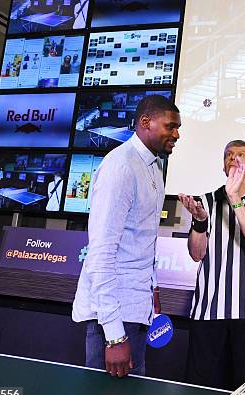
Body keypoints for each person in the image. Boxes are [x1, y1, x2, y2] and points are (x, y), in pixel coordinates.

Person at [72, 95, 182, 378]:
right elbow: (102, 251)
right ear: (146, 122)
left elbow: (143, 239)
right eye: (170, 127)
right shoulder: (120, 166)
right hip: (114, 320)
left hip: (137, 311)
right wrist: (115, 336)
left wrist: (153, 291)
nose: (176, 134)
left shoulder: (155, 167)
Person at [179, 140, 245, 389]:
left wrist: (235, 198)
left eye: (240, 155)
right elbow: (196, 254)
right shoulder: (206, 201)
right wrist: (200, 222)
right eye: (228, 155)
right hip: (209, 310)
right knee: (200, 388)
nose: (233, 159)